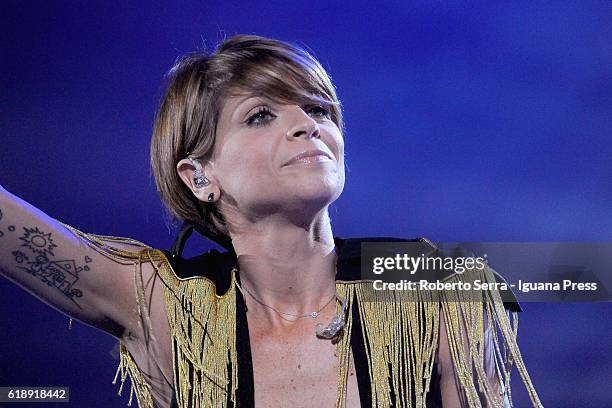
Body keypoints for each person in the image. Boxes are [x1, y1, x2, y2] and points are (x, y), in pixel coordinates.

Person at [0, 34, 542, 407]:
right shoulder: (166, 308)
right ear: (199, 177)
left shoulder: (436, 290)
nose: (308, 125)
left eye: (320, 109)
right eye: (261, 115)